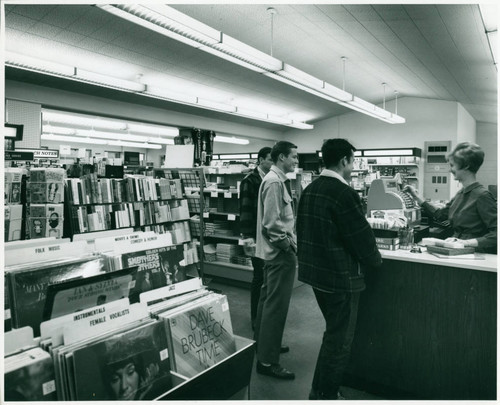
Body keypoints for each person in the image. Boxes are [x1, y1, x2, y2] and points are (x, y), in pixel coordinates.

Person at [296, 138, 382, 400]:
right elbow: (361, 238)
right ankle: (328, 394)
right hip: (340, 278)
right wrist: (375, 262)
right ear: (344, 160)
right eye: (352, 161)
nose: (352, 167)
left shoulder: (310, 188)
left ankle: (317, 389)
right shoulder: (344, 193)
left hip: (316, 275)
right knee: (340, 341)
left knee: (332, 334)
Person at [254, 141, 298, 380]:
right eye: (294, 158)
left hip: (272, 254)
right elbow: (272, 224)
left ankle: (263, 345)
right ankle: (268, 361)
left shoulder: (277, 180)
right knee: (275, 306)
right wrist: (289, 247)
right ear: (281, 157)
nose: (296, 162)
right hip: (279, 254)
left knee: (267, 301)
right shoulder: (273, 182)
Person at [404, 142, 497, 254]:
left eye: (452, 165)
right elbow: (440, 215)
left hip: (475, 254)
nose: (450, 170)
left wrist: (466, 242)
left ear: (466, 165)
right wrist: (416, 197)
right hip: (456, 250)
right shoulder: (461, 193)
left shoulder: (482, 196)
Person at [239, 146, 273, 330]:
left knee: (268, 279)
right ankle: (255, 319)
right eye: (270, 159)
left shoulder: (271, 179)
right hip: (255, 237)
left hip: (268, 237)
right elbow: (244, 210)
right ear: (260, 160)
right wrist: (247, 237)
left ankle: (263, 320)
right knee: (259, 277)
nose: (273, 163)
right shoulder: (250, 180)